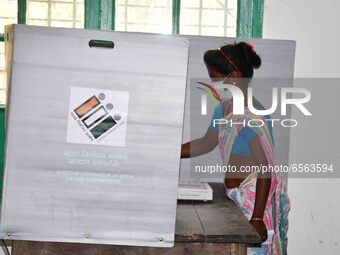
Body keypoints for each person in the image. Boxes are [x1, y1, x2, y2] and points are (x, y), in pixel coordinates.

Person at [181, 42, 290, 255]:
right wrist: (168, 152)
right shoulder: (225, 108)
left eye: (216, 76)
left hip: (255, 203)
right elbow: (207, 142)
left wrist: (257, 218)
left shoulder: (252, 114)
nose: (214, 81)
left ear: (234, 74)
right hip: (235, 198)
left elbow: (265, 169)